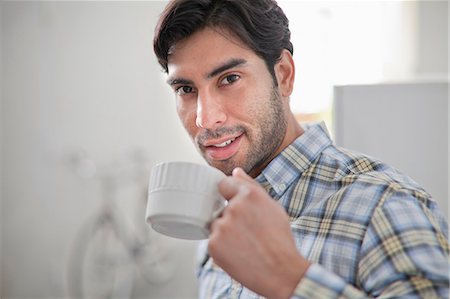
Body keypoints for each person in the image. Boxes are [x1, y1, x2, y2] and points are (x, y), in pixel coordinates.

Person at [152, 0, 449, 298]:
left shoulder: (385, 205)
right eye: (185, 89)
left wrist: (290, 280)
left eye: (229, 79)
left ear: (283, 74)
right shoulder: (216, 222)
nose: (205, 119)